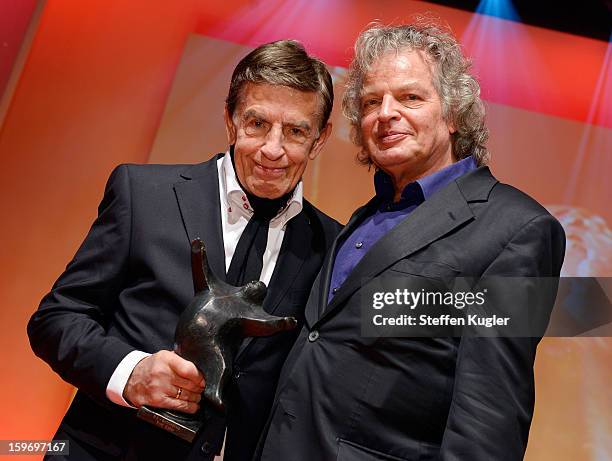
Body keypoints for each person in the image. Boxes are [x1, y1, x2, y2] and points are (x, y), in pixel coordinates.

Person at [256, 23, 566, 460]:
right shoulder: (366, 217)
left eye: (410, 97)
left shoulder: (521, 230)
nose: (385, 114)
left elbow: (489, 418)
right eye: (370, 102)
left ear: (456, 113)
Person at [27, 40, 341, 461]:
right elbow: (55, 319)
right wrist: (131, 372)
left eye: (296, 131)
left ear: (320, 140)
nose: (272, 149)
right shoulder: (143, 194)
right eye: (256, 124)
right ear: (230, 120)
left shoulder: (332, 244)